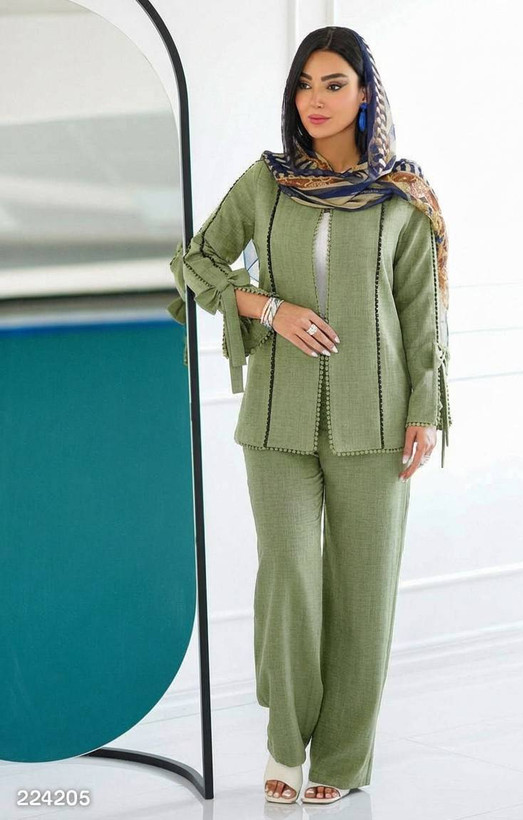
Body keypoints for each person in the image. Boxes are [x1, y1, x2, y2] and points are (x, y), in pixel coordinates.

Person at [168, 25, 452, 806]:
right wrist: (268, 307)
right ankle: (284, 740)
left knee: (363, 590)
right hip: (276, 420)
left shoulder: (402, 196)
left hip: (379, 418)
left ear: (365, 96)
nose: (315, 100)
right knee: (289, 579)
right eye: (304, 84)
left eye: (333, 84)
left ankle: (343, 757)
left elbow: (420, 313)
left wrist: (426, 410)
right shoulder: (266, 183)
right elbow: (195, 262)